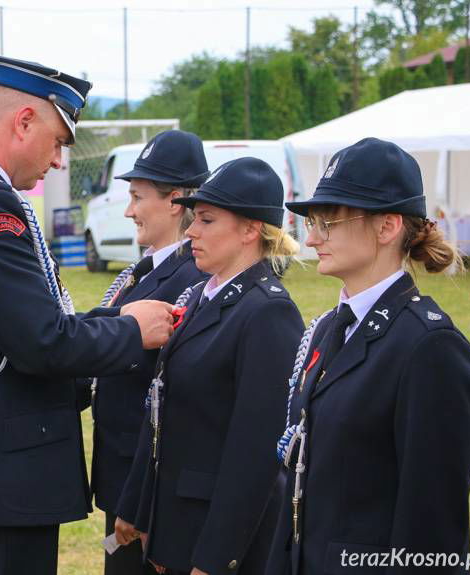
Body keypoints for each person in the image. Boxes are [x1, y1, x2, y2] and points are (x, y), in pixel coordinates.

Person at [0, 53, 176, 575]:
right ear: (24, 121)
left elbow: (12, 326)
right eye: (58, 142)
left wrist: (110, 319)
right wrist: (130, 332)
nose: (57, 162)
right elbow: (38, 341)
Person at [266, 138, 470, 575]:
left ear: (387, 227)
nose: (311, 238)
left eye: (328, 223)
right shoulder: (331, 327)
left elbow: (433, 532)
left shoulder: (429, 347)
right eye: (313, 223)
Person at [114, 157, 305, 575]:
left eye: (206, 220)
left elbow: (254, 456)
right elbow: (159, 407)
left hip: (214, 535)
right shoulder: (201, 293)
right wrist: (136, 505)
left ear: (251, 229)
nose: (191, 231)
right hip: (176, 519)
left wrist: (217, 558)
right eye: (193, 218)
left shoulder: (268, 313)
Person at [84, 129, 210, 575]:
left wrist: (141, 501)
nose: (128, 210)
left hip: (148, 492)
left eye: (138, 197)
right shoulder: (152, 269)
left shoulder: (189, 279)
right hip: (124, 481)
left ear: (175, 200)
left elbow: (173, 400)